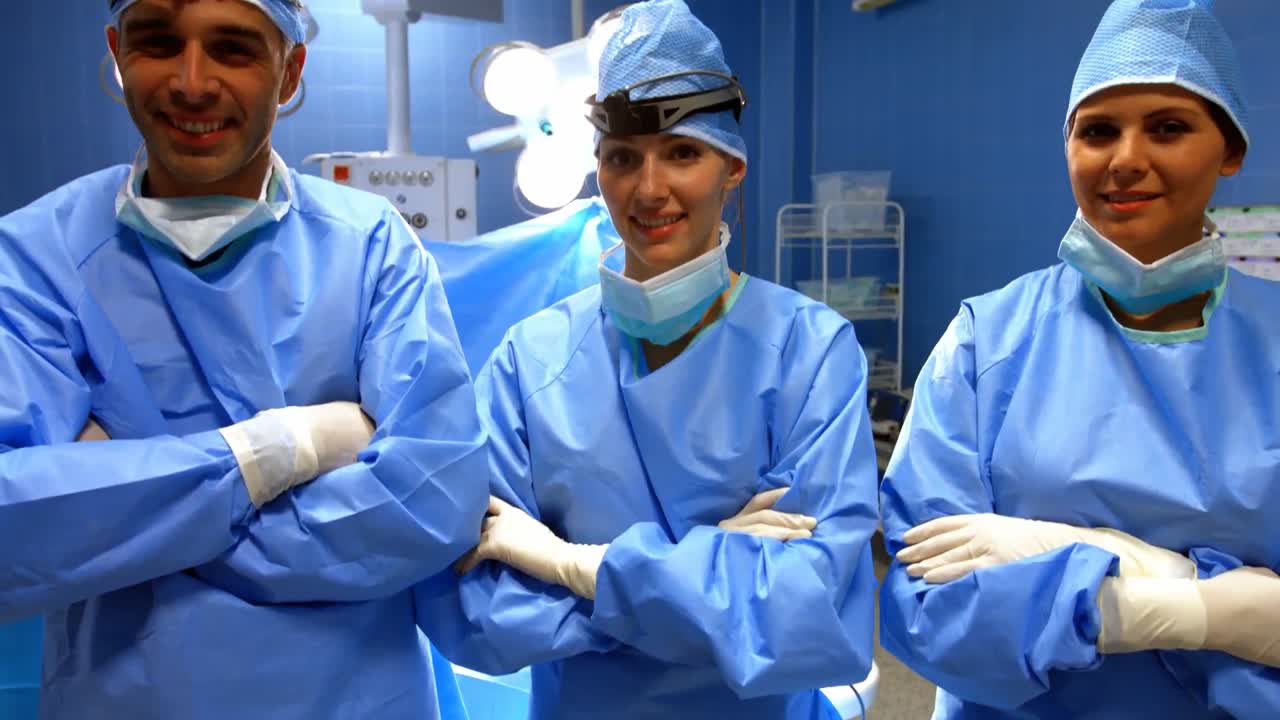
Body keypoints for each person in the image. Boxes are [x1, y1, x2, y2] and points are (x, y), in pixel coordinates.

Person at [0, 1, 487, 718]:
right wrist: (282, 451)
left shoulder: (368, 245)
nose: (192, 83)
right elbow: (15, 528)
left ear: (290, 70)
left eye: (233, 49)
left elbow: (431, 504)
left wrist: (116, 503)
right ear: (116, 51)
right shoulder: (39, 256)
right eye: (159, 42)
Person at [415, 2, 879, 718]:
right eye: (622, 157)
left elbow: (808, 612)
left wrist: (572, 565)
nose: (649, 188)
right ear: (596, 168)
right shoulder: (529, 364)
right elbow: (475, 610)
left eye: (682, 153)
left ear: (733, 169)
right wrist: (711, 576)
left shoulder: (809, 355)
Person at [878, 0, 1280, 717]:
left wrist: (1067, 572)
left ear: (1231, 148)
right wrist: (1209, 605)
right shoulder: (986, 344)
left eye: (1168, 127)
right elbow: (921, 604)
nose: (1127, 159)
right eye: (1098, 131)